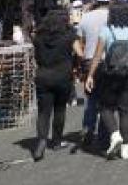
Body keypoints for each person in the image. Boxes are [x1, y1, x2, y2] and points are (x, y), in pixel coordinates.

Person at [85, 2, 128, 160]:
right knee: (125, 110)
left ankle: (115, 134)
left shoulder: (106, 31)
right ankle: (126, 148)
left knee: (105, 107)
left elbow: (97, 55)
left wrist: (90, 75)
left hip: (110, 74)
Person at [32, 9, 82, 161]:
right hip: (62, 76)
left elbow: (36, 57)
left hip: (43, 76)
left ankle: (41, 141)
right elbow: (80, 53)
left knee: (43, 112)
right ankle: (57, 141)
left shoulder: (38, 37)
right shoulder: (69, 35)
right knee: (60, 110)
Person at [76, 0, 112, 146]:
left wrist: (82, 55)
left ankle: (88, 130)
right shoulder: (113, 17)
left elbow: (77, 40)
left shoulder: (86, 17)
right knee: (106, 100)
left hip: (89, 61)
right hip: (108, 62)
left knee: (91, 99)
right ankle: (104, 137)